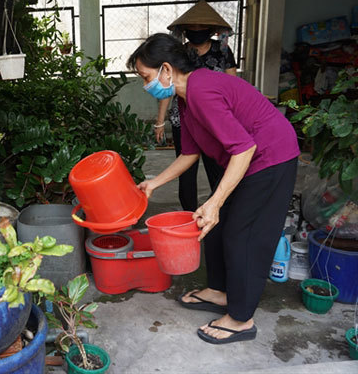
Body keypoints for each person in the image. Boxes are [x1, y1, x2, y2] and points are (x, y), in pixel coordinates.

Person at [128, 33, 299, 344]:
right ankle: (219, 292)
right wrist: (154, 183)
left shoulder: (202, 90)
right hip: (251, 158)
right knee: (215, 229)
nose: (145, 85)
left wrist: (216, 202)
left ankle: (241, 318)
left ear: (166, 69)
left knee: (242, 234)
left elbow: (244, 149)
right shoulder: (186, 97)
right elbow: (190, 153)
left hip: (271, 156)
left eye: (146, 76)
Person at [155, 1, 237, 211]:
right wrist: (159, 122)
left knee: (217, 169)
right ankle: (188, 217)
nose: (197, 31)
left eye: (202, 27)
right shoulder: (177, 55)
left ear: (212, 29)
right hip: (182, 119)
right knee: (186, 173)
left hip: (214, 121)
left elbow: (234, 85)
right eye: (193, 27)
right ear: (184, 30)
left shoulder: (223, 51)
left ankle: (217, 209)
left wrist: (234, 119)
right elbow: (167, 88)